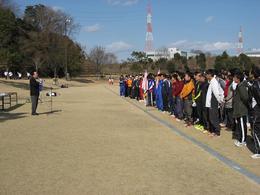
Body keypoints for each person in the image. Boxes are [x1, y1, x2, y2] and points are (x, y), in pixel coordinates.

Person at [206, 69, 224, 137]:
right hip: (212, 101)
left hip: (214, 102)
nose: (206, 75)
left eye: (207, 74)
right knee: (212, 117)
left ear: (210, 75)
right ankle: (214, 130)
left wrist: (219, 101)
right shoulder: (211, 81)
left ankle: (217, 132)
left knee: (214, 118)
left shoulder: (214, 82)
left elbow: (216, 93)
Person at [233, 71, 249, 147]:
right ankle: (241, 139)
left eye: (234, 77)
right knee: (240, 124)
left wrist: (242, 105)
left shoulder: (241, 86)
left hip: (241, 109)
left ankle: (243, 141)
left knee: (242, 125)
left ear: (238, 79)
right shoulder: (238, 85)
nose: (233, 78)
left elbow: (245, 97)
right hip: (239, 108)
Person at [249, 67, 260, 159]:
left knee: (255, 130)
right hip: (257, 110)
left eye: (250, 73)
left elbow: (258, 98)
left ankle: (258, 151)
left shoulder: (255, 85)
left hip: (256, 111)